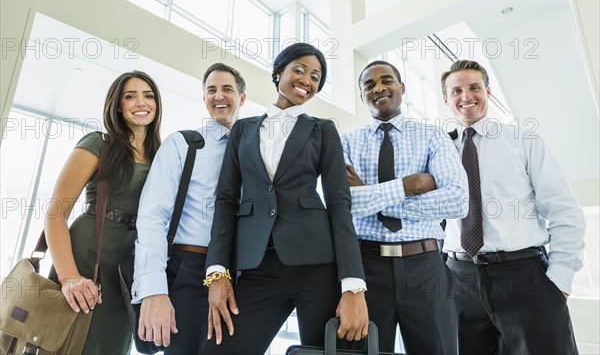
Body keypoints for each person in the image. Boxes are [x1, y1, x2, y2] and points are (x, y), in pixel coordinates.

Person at [204, 42, 369, 355]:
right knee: (220, 349)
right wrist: (217, 272)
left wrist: (353, 284)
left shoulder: (322, 130)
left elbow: (338, 204)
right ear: (279, 72)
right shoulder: (242, 129)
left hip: (317, 267)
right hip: (256, 266)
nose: (307, 79)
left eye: (316, 76)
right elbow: (226, 200)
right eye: (300, 69)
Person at [441, 59, 585, 355]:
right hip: (459, 279)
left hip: (524, 275)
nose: (466, 96)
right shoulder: (439, 149)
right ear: (446, 99)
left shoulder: (523, 140)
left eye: (474, 87)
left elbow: (564, 210)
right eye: (456, 91)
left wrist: (560, 279)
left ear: (488, 91)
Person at [341, 60, 468, 354]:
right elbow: (343, 205)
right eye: (369, 85)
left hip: (425, 268)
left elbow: (457, 200)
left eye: (387, 80)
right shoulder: (345, 141)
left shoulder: (433, 136)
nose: (379, 88)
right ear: (362, 96)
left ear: (402, 87)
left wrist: (373, 198)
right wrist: (409, 185)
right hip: (365, 268)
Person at [45, 70, 162, 354]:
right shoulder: (100, 143)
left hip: (129, 269)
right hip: (87, 257)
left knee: (111, 344)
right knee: (65, 341)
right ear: (117, 105)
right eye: (130, 96)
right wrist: (69, 277)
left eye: (148, 96)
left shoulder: (164, 155)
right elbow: (55, 213)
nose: (141, 102)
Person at [132, 63, 246, 354]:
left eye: (227, 89)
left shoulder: (254, 152)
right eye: (211, 90)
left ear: (242, 98)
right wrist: (154, 291)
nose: (219, 96)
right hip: (189, 269)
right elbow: (151, 218)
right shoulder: (182, 144)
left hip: (242, 276)